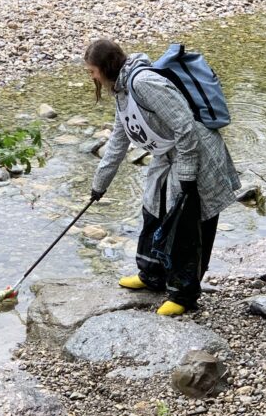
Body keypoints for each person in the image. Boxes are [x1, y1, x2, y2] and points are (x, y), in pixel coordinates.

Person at [85, 38, 239, 317]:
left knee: (184, 224)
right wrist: (99, 186)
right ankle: (151, 276)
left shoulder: (143, 83)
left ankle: (184, 293)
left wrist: (188, 174)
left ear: (106, 67)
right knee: (152, 208)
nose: (92, 77)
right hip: (166, 155)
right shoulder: (122, 92)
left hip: (194, 153)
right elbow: (118, 142)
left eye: (92, 71)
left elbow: (185, 126)